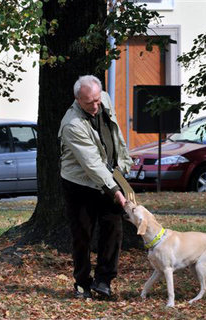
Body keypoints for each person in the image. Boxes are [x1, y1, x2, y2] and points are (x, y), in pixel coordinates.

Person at [58, 75, 133, 299]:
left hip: (109, 175)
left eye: (97, 100)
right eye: (89, 102)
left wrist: (123, 166)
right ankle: (82, 282)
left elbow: (115, 135)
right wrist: (115, 190)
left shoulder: (104, 100)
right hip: (80, 183)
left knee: (113, 228)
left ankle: (104, 281)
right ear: (77, 100)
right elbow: (92, 164)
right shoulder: (72, 124)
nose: (95, 106)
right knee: (82, 234)